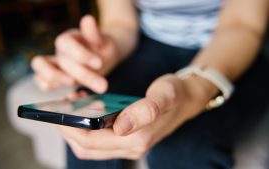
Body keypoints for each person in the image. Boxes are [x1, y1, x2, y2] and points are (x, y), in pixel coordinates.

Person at [31, 0, 269, 168]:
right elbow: (120, 22)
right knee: (89, 121)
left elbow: (242, 25)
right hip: (149, 42)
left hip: (234, 48)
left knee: (186, 150)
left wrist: (193, 90)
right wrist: (100, 54)